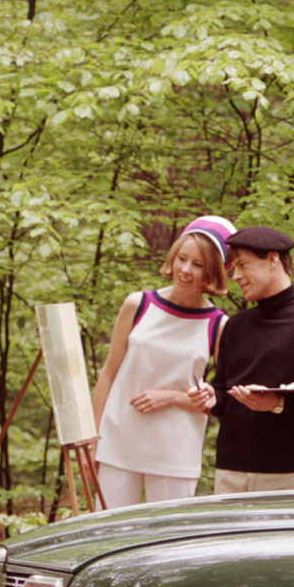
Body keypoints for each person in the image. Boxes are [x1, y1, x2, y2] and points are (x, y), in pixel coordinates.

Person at [90, 216, 235, 507]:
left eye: (198, 264)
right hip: (117, 442)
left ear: (214, 272)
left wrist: (171, 397)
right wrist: (91, 441)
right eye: (182, 258)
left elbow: (221, 399)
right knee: (107, 537)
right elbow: (108, 375)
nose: (185, 270)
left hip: (176, 452)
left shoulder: (217, 325)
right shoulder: (138, 304)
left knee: (165, 544)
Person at [198, 225, 294, 492]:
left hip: (289, 476)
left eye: (243, 265)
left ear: (273, 260)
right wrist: (212, 397)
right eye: (233, 268)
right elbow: (223, 394)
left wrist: (278, 403)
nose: (236, 276)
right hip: (230, 472)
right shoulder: (235, 326)